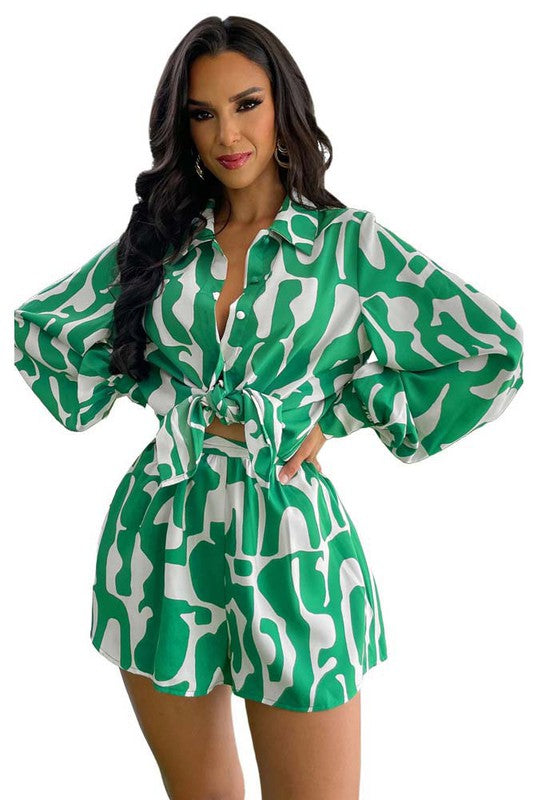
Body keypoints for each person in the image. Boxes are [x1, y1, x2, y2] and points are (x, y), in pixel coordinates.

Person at [13, 15, 524, 800]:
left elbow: (490, 351)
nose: (227, 134)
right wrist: (156, 392)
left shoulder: (350, 248)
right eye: (203, 113)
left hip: (290, 544)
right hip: (160, 536)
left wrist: (344, 415)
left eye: (246, 104)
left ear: (283, 105)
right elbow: (44, 331)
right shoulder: (159, 242)